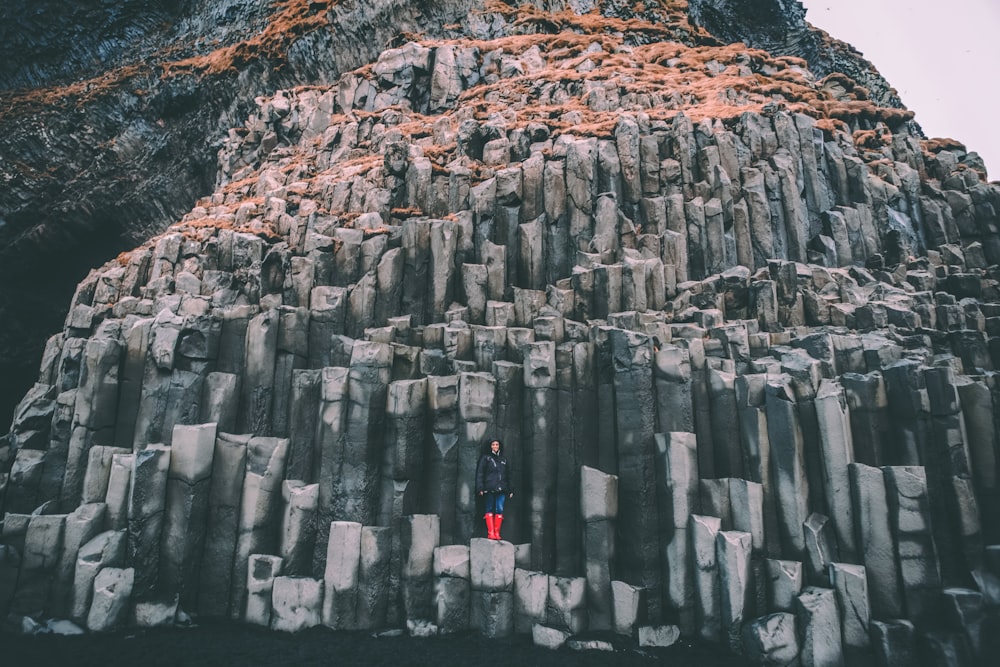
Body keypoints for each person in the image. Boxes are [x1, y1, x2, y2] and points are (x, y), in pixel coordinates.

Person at [475, 439, 513, 540]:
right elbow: (480, 473)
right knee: (489, 509)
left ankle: (497, 532)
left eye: (497, 444)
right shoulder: (486, 458)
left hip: (502, 489)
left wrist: (510, 490)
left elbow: (508, 475)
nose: (495, 446)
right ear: (490, 446)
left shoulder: (503, 459)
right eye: (493, 444)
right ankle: (490, 533)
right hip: (489, 488)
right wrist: (480, 488)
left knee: (499, 509)